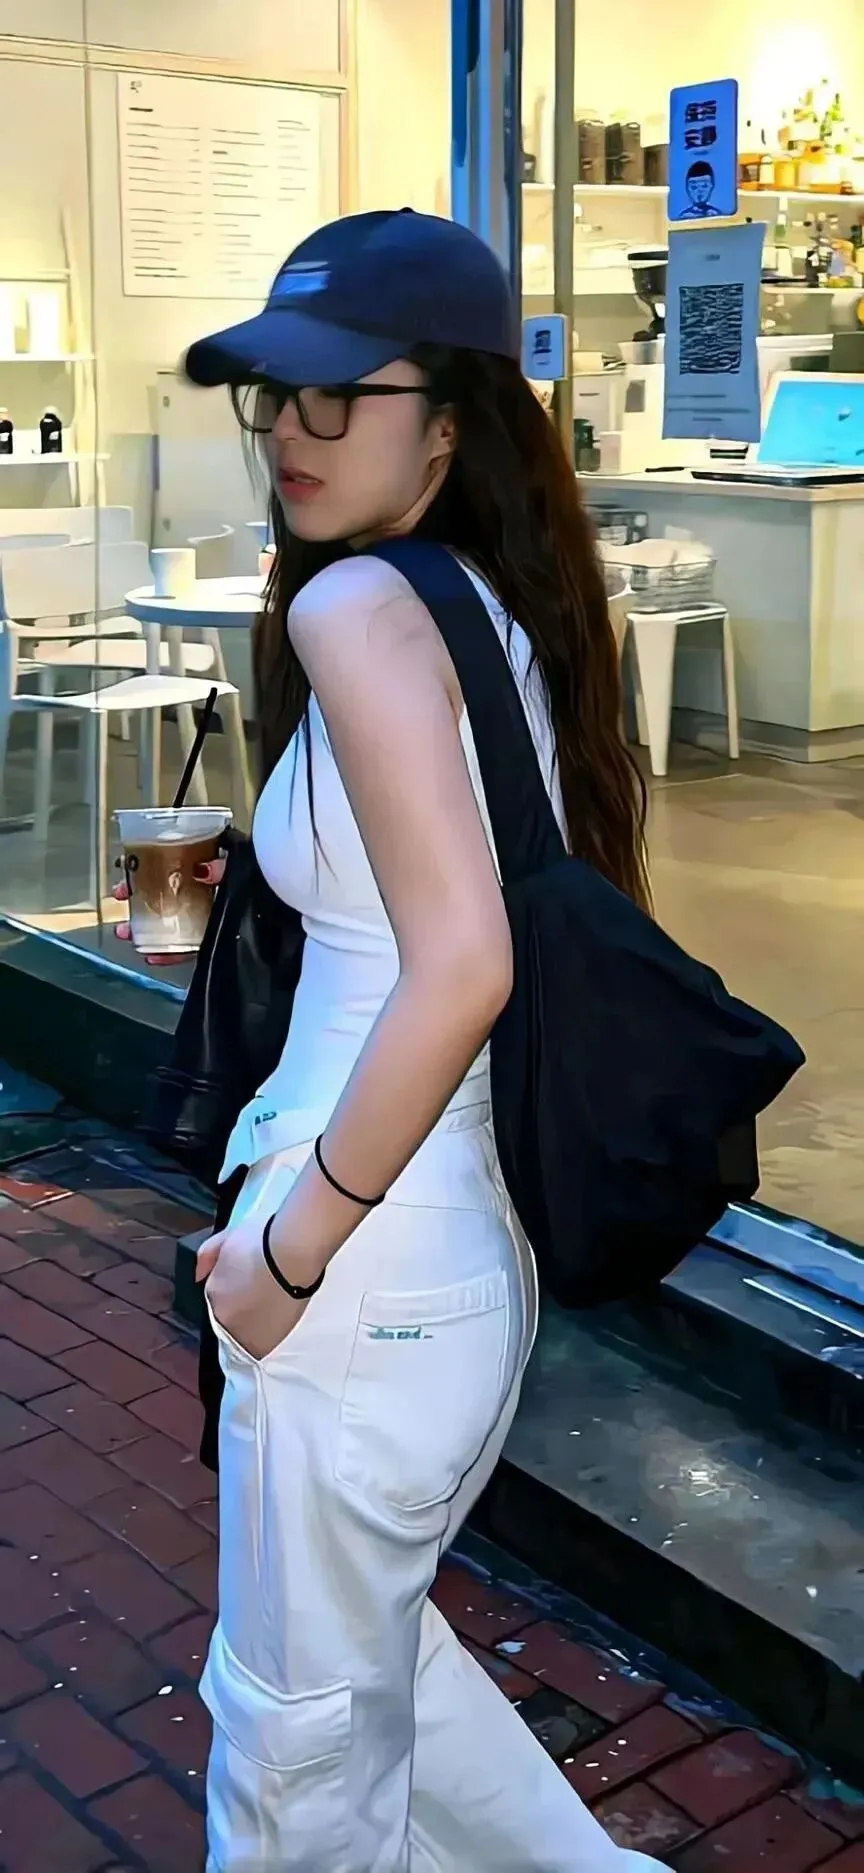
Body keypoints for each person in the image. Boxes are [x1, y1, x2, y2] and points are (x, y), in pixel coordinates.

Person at [122, 208, 660, 1871]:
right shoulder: (485, 606)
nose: (291, 431)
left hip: (362, 1264)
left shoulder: (355, 606)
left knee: (293, 1749)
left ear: (451, 420)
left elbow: (463, 965)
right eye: (273, 395)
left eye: (339, 394)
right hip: (450, 1251)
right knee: (374, 1674)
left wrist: (287, 1252)